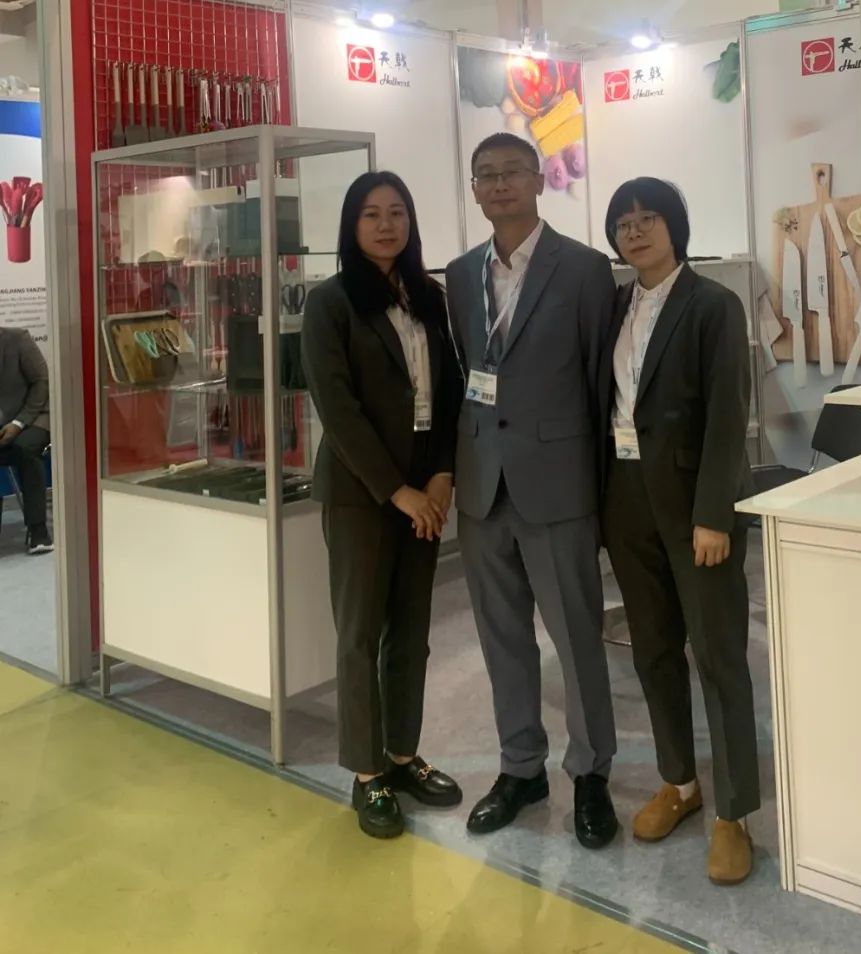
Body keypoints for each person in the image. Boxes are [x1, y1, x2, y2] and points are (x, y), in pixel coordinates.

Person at [445, 133, 619, 849]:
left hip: (558, 485)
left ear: (539, 179)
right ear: (474, 189)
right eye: (485, 175)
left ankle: (591, 773)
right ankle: (521, 768)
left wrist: (599, 494)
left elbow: (599, 385)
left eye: (512, 172)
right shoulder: (460, 275)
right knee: (502, 638)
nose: (499, 184)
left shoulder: (584, 269)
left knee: (576, 638)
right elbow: (470, 371)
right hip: (484, 484)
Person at [600, 178, 759, 885]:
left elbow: (729, 414)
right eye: (623, 223)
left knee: (718, 656)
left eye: (648, 219)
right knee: (654, 650)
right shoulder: (614, 307)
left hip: (696, 505)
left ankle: (734, 813)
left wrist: (714, 514)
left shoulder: (712, 305)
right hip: (626, 499)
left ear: (675, 227)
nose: (635, 232)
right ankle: (680, 783)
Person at [302, 172, 464, 840]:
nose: (386, 224)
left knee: (412, 631)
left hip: (426, 486)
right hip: (362, 493)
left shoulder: (430, 297)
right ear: (352, 225)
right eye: (371, 214)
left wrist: (442, 477)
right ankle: (367, 773)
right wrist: (397, 491)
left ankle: (402, 755)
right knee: (360, 634)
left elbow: (450, 393)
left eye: (397, 212)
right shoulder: (331, 302)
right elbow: (337, 408)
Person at [0, 327, 52, 556]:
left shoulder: (17, 339)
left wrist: (18, 423)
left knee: (25, 450)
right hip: (3, 420)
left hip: (35, 416)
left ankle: (38, 530)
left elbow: (41, 381)